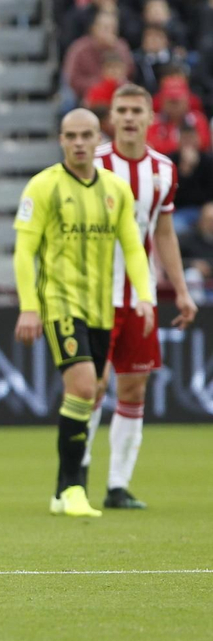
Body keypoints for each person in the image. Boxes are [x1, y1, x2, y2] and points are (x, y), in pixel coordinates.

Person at [13, 109, 156, 518]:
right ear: (60, 140)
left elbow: (133, 245)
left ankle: (61, 490)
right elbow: (24, 251)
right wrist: (29, 307)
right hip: (60, 303)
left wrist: (144, 296)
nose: (78, 143)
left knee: (91, 391)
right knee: (81, 386)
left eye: (86, 135)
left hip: (102, 308)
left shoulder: (115, 189)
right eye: (71, 135)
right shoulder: (42, 187)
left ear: (99, 139)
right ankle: (75, 488)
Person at [79, 86, 199, 509]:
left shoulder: (164, 170)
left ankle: (117, 486)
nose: (129, 118)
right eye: (122, 110)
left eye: (136, 111)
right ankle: (77, 474)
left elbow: (163, 233)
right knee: (92, 386)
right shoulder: (93, 164)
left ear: (150, 117)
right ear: (111, 117)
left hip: (139, 297)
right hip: (93, 296)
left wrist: (180, 291)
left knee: (133, 388)